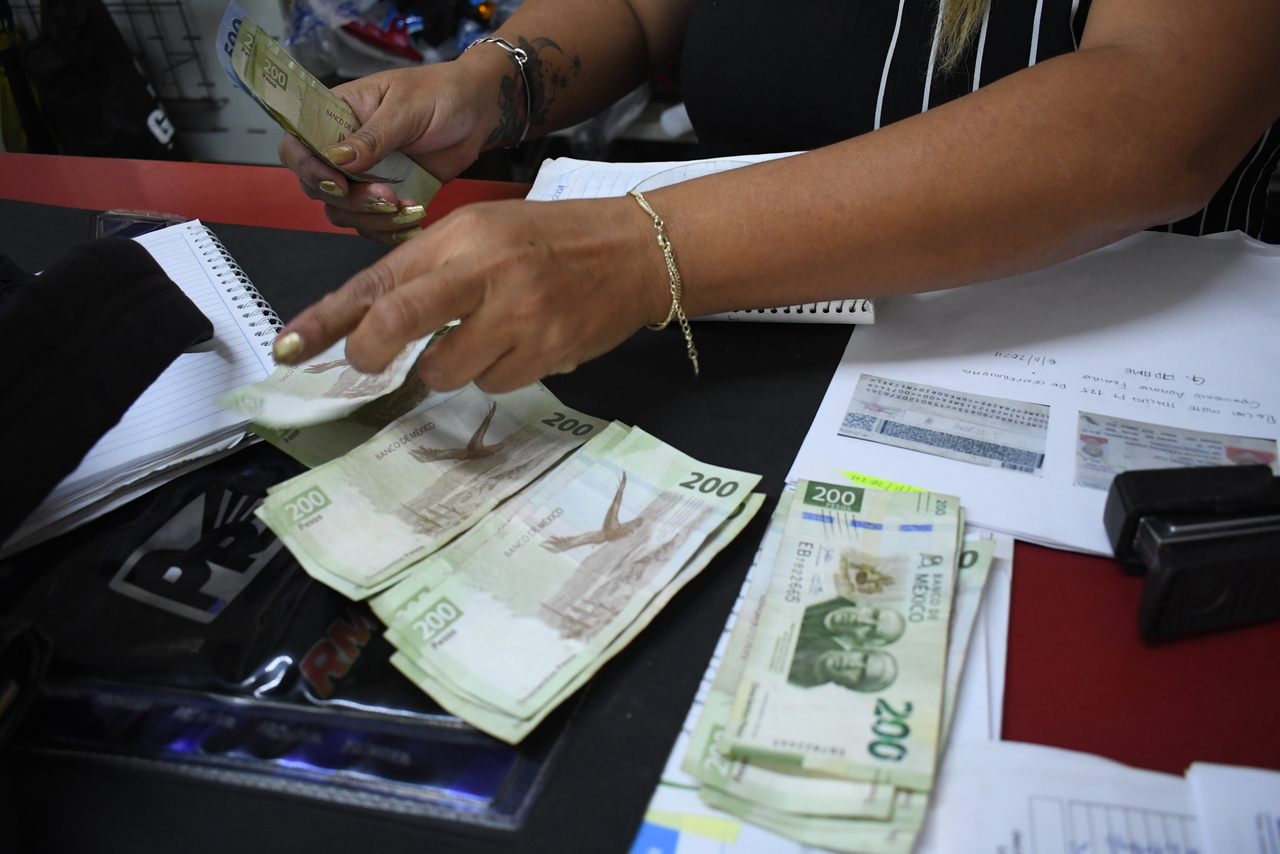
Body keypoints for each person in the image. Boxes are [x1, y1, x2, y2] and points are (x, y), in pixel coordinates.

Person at [271, 0, 1280, 395]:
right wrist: (489, 83)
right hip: (734, 349)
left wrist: (636, 251)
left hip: (1082, 372)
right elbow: (640, 10)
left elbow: (1160, 110)